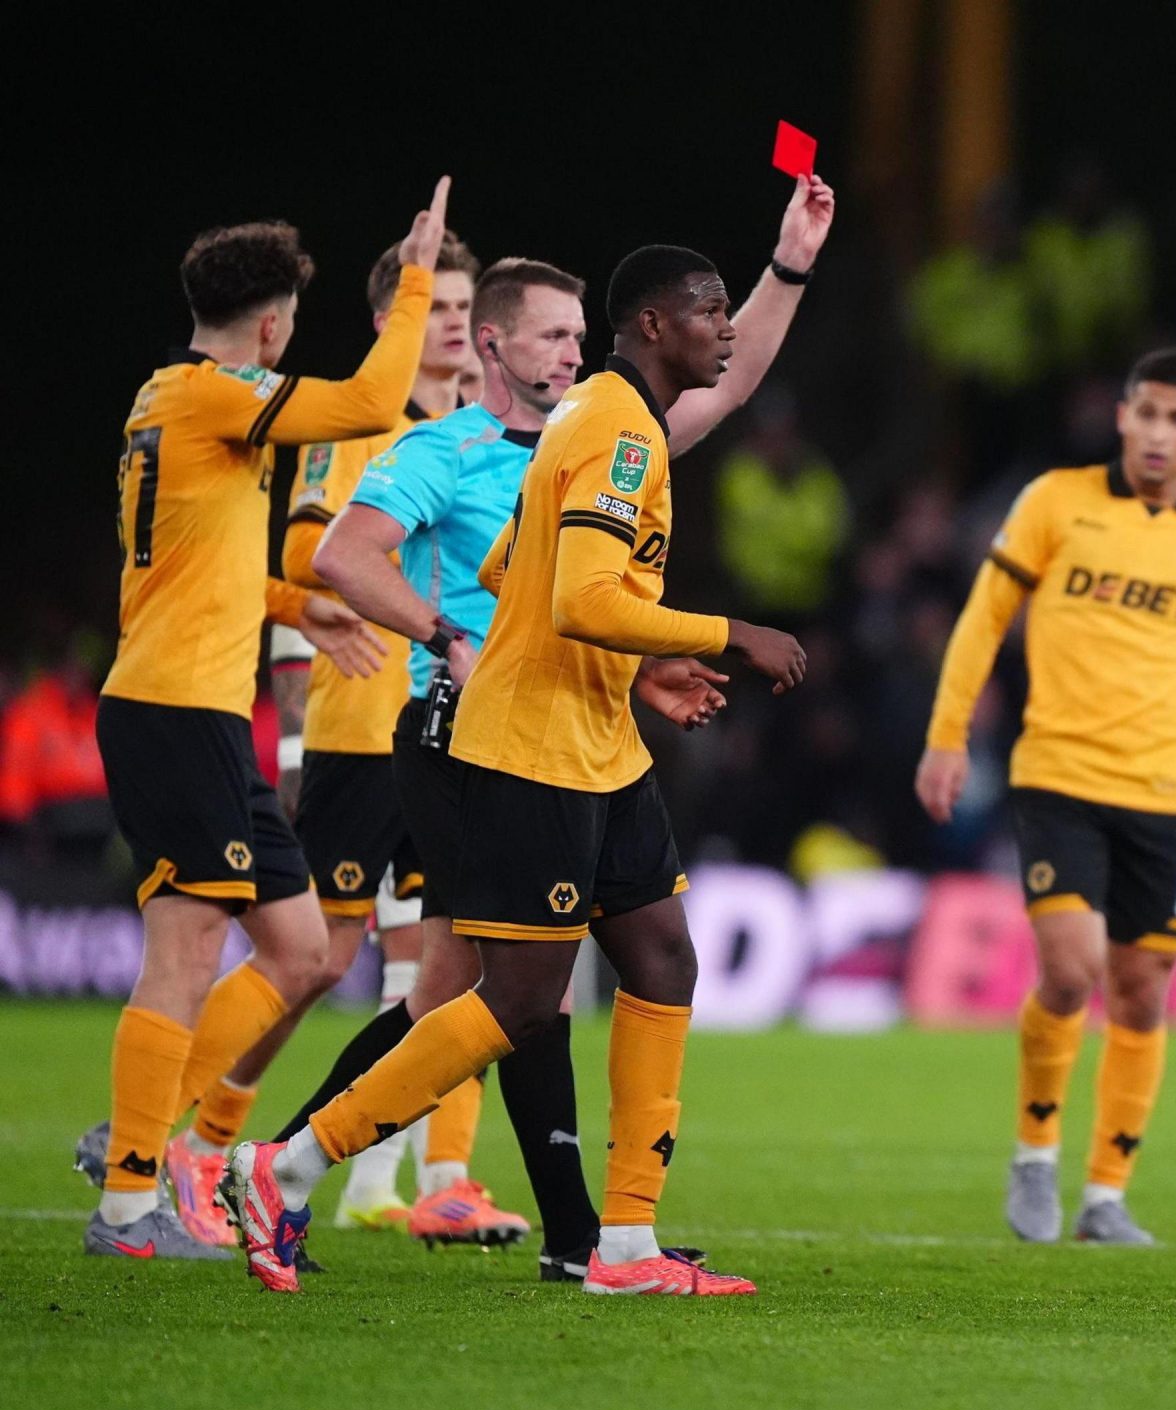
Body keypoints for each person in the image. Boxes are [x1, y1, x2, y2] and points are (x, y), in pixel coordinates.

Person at [222, 243, 809, 1297]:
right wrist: (729, 633)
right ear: (654, 327)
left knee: (663, 959)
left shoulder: (589, 416)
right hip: (532, 748)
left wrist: (642, 666)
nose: (725, 329)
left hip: (598, 740)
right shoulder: (618, 431)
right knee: (520, 1003)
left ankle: (623, 1245)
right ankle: (287, 1166)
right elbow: (580, 599)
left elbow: (509, 566)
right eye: (710, 310)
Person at [78, 181, 446, 1261]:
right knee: (188, 949)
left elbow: (192, 566)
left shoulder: (164, 397)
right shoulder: (213, 397)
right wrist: (416, 280)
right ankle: (129, 1202)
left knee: (300, 949)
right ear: (274, 327)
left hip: (196, 708)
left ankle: (134, 1133)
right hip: (169, 709)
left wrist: (297, 606)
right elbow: (372, 402)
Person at [916, 347, 1176, 1247]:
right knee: (1072, 973)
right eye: (1146, 413)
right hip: (1058, 777)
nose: (1158, 433)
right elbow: (983, 621)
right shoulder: (1054, 501)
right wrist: (947, 736)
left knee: (1143, 994)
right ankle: (1035, 1153)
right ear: (1122, 417)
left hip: (1164, 793)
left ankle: (1106, 1194)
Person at [199, 233, 488, 1248]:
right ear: (393, 319)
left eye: (466, 308)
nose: (455, 325)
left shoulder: (489, 438)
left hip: (459, 736)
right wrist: (292, 745)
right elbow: (300, 554)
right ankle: (206, 1139)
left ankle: (435, 1178)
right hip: (364, 728)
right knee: (318, 960)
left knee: (461, 964)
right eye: (437, 306)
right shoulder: (361, 426)